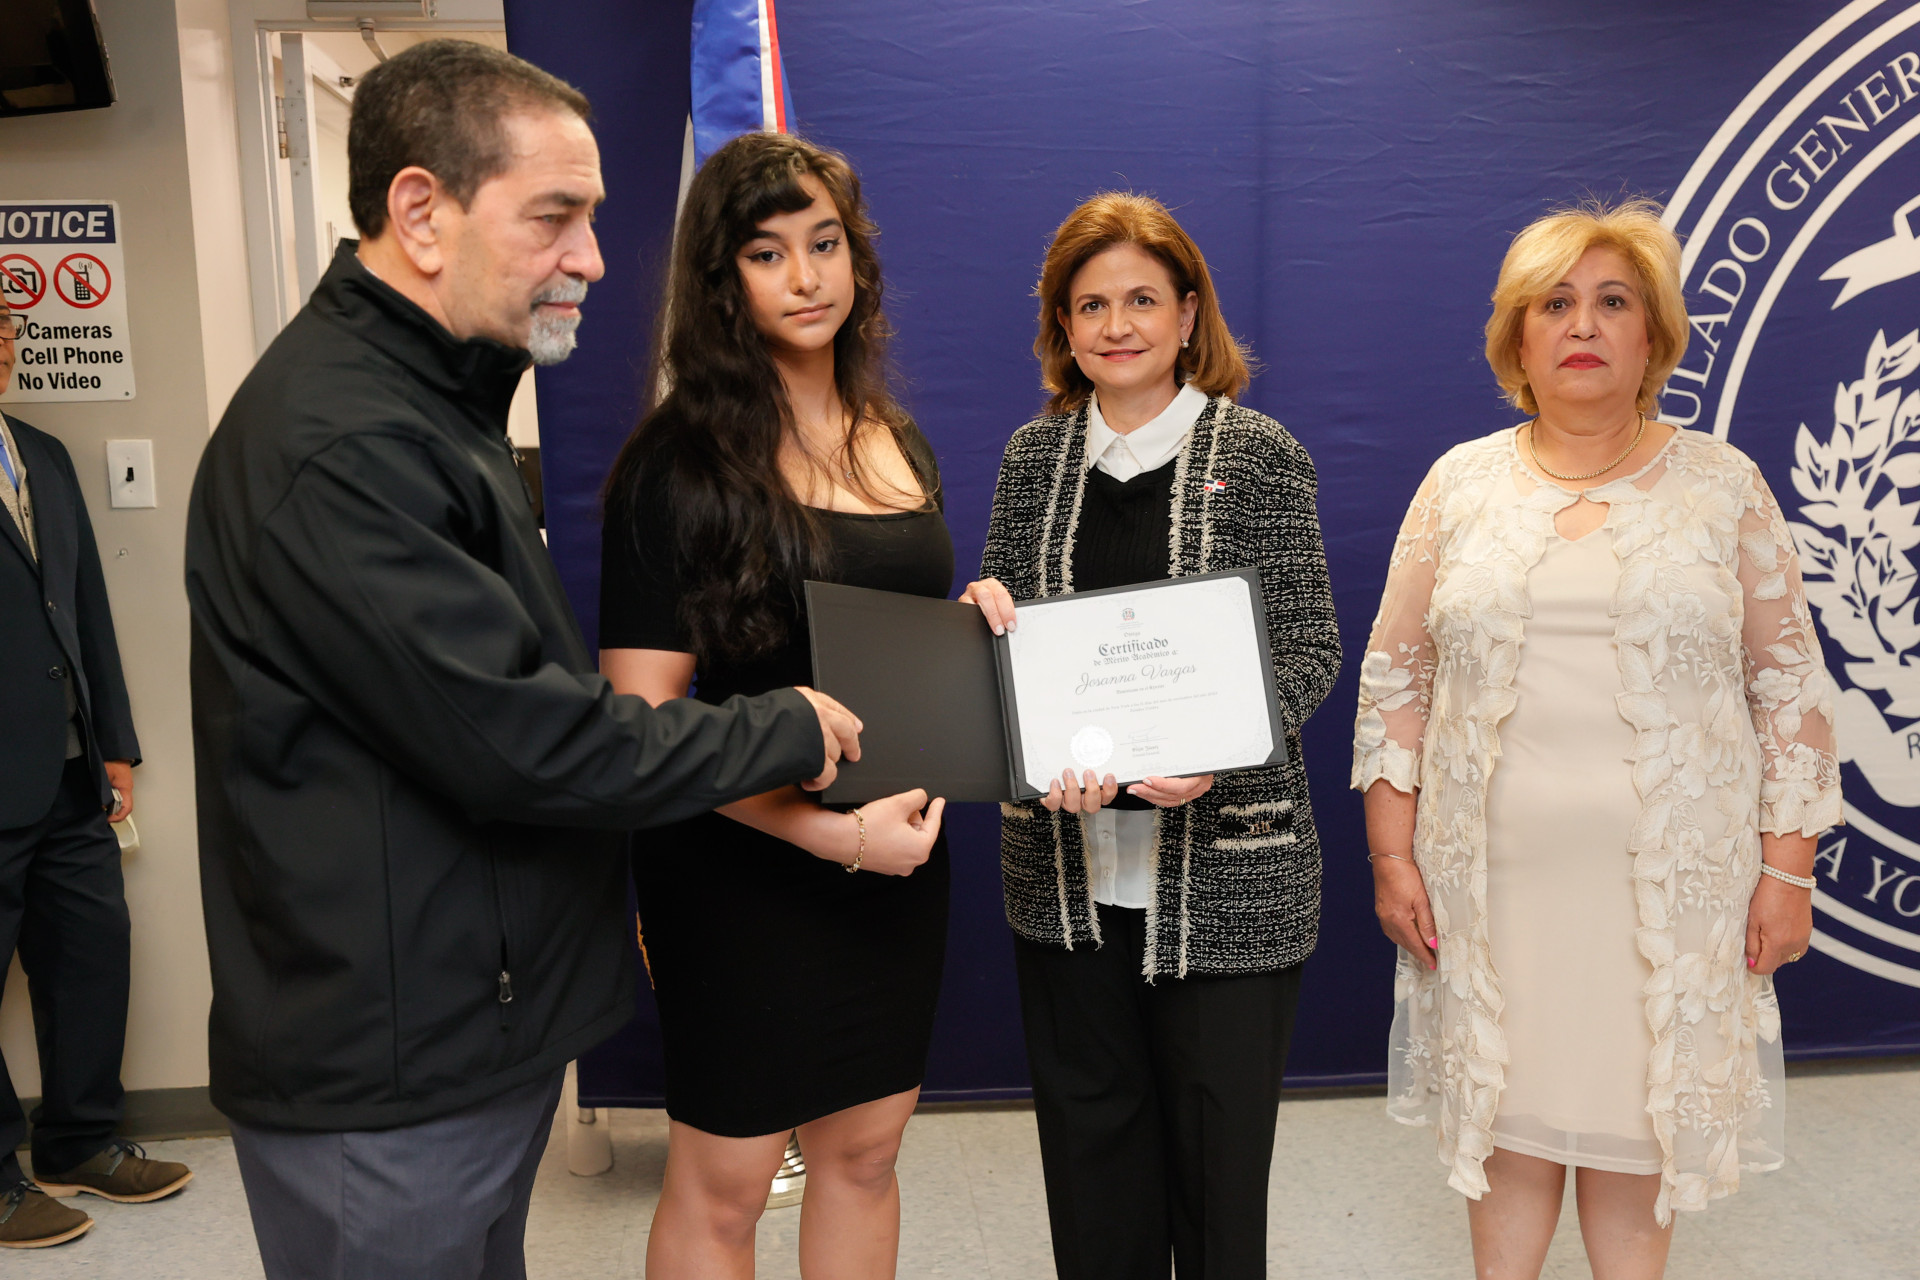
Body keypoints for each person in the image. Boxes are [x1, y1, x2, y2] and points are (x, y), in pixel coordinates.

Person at [184, 43, 863, 1280]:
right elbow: (525, 737)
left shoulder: (431, 405)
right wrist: (788, 724)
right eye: (555, 216)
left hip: (453, 1040)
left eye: (590, 218)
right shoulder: (345, 443)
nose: (593, 257)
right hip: (389, 1080)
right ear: (420, 213)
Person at [1353, 197, 1839, 1280]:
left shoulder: (1724, 485)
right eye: (1555, 303)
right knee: (1507, 1131)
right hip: (1490, 886)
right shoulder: (1459, 483)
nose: (1583, 324)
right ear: (1516, 338)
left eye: (1614, 301)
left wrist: (1787, 871)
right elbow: (1395, 685)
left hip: (1671, 892)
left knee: (1637, 1136)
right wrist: (1392, 855)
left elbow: (1790, 695)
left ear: (1653, 334)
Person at [960, 193, 1341, 1280]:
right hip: (1065, 881)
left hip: (1230, 886)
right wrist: (980, 633)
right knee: (1094, 1185)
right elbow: (1006, 649)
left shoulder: (1259, 454)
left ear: (1187, 314)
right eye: (1090, 304)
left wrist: (1220, 749)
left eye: (1141, 299)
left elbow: (1308, 646)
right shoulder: (1032, 460)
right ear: (1062, 326)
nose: (1117, 324)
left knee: (1219, 1190)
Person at [598, 130, 948, 1280]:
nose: (806, 276)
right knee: (728, 1181)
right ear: (721, 280)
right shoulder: (674, 466)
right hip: (738, 868)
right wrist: (832, 835)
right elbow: (641, 726)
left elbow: (901, 643)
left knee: (866, 1153)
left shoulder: (898, 438)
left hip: (896, 861)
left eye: (825, 242)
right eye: (767, 252)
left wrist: (981, 626)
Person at [0, 298, 191, 1251]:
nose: (1, 344)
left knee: (91, 955)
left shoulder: (41, 454)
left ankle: (78, 1141)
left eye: (5, 325)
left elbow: (84, 606)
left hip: (70, 772)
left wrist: (115, 741)